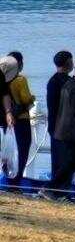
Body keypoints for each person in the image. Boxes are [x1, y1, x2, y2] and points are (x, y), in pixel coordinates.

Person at [46, 53, 75, 191]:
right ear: (68, 62)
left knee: (67, 161)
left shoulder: (56, 81)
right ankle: (57, 190)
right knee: (66, 161)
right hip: (65, 128)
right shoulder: (68, 83)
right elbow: (64, 108)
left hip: (59, 127)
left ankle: (66, 190)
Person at [0, 49, 31, 182]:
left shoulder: (4, 80)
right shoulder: (20, 80)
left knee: (6, 151)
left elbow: (5, 96)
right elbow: (26, 99)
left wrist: (7, 112)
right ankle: (15, 181)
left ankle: (7, 179)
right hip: (20, 119)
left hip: (5, 121)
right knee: (21, 151)